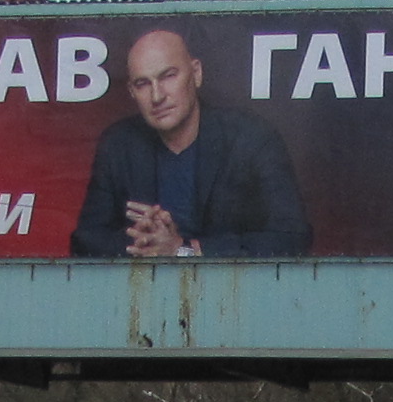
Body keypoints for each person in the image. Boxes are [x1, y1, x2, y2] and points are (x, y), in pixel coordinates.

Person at [69, 29, 311, 257]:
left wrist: (184, 249)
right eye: (143, 84)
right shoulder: (119, 145)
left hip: (236, 295)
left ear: (196, 74)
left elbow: (292, 237)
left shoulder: (251, 138)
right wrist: (145, 242)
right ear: (132, 91)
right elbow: (85, 240)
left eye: (168, 76)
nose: (157, 96)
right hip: (142, 295)